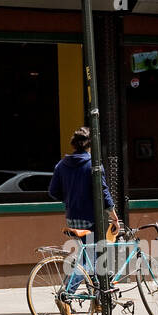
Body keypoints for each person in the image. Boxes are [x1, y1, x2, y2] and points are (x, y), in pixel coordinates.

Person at [48, 127, 120, 296]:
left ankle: (95, 296)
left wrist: (69, 198)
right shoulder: (93, 165)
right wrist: (114, 217)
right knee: (91, 259)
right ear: (91, 144)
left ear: (74, 143)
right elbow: (104, 192)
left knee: (87, 257)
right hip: (91, 219)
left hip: (73, 219)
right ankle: (67, 294)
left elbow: (53, 191)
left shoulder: (62, 165)